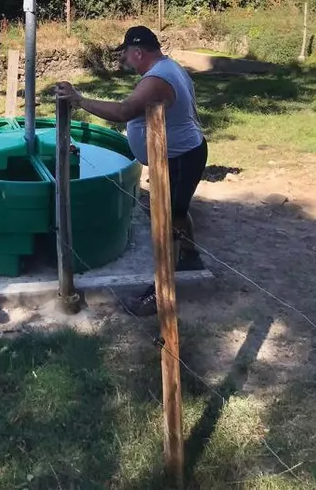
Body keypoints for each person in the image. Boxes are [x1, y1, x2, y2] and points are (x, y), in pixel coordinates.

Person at [55, 25, 207, 315]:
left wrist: (79, 101)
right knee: (174, 209)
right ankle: (189, 255)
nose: (124, 60)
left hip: (181, 156)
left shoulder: (158, 79)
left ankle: (159, 292)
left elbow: (125, 111)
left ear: (138, 52)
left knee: (166, 218)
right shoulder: (167, 68)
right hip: (180, 154)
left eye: (125, 54)